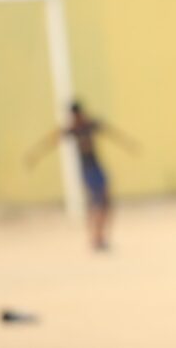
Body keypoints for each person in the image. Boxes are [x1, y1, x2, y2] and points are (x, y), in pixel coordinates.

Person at [27, 101, 138, 251]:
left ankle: (99, 237)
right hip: (87, 170)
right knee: (97, 202)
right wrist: (34, 155)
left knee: (105, 203)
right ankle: (96, 238)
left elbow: (112, 132)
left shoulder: (90, 125)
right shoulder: (73, 129)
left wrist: (129, 144)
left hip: (97, 167)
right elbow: (51, 141)